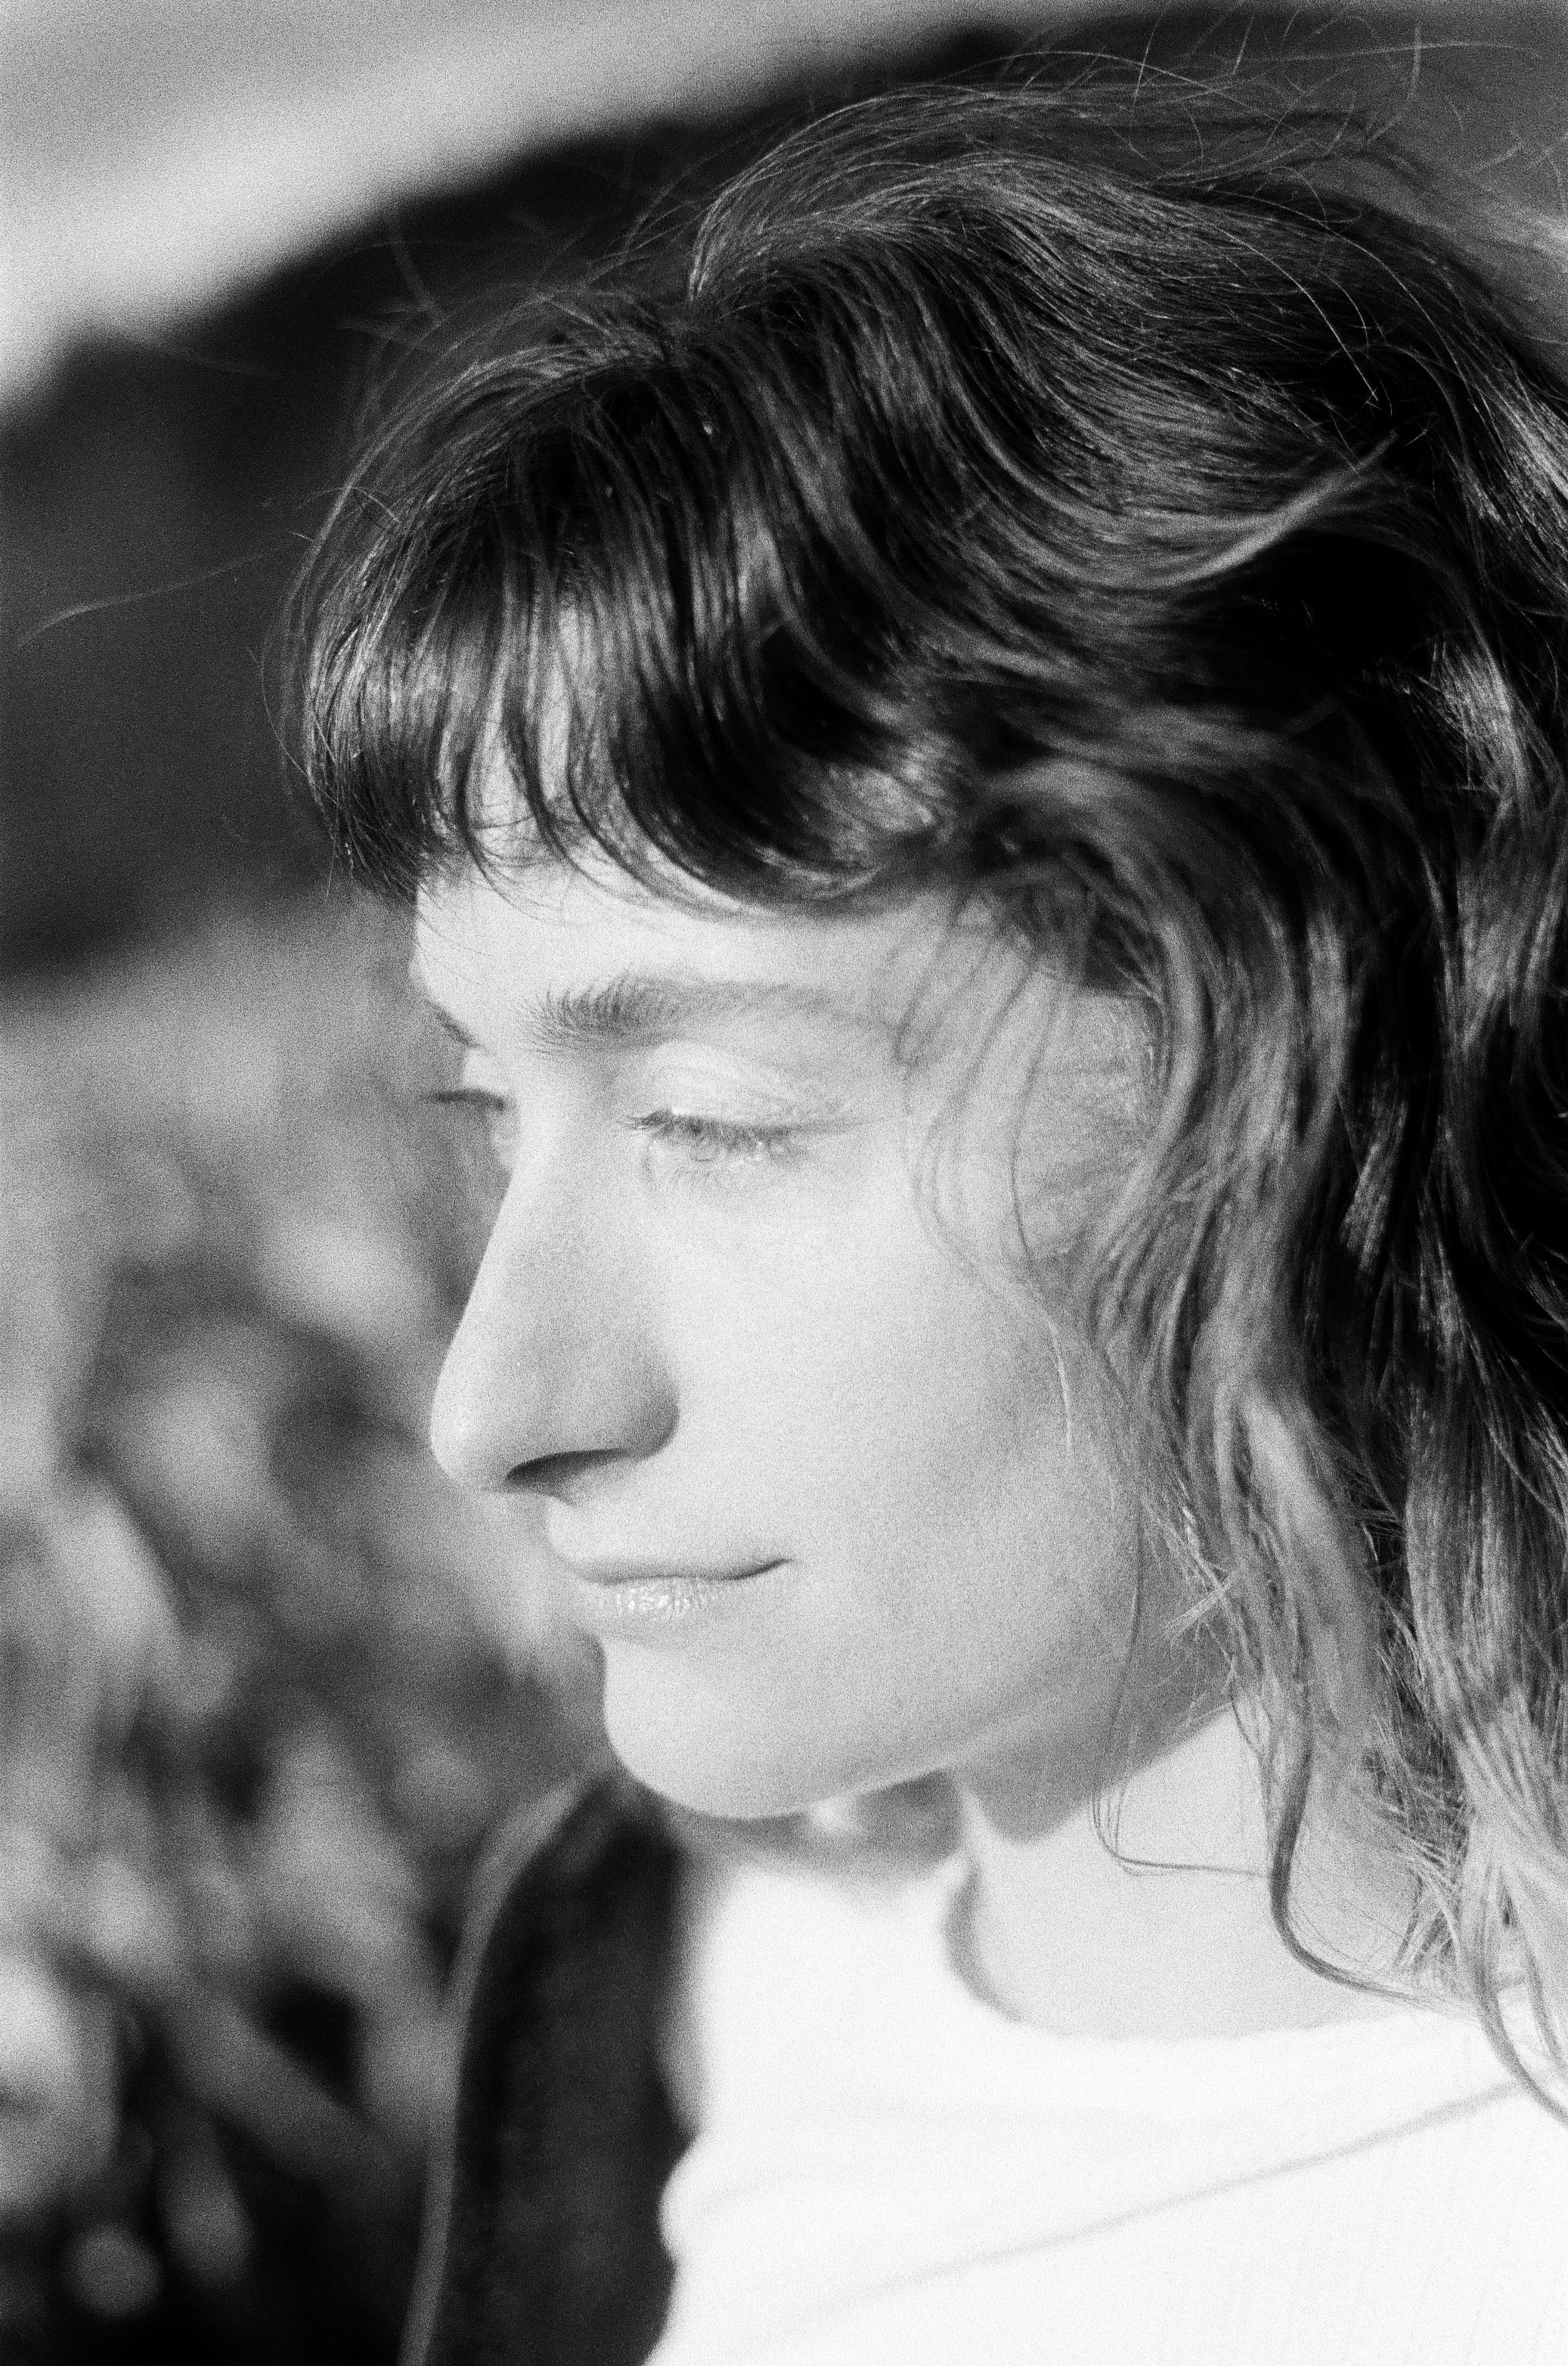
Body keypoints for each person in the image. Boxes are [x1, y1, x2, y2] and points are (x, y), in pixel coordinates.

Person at [296, 61, 1568, 2366]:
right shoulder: (667, 1983)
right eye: (488, 1111)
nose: (493, 1403)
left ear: (1329, 1067)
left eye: (713, 1116)